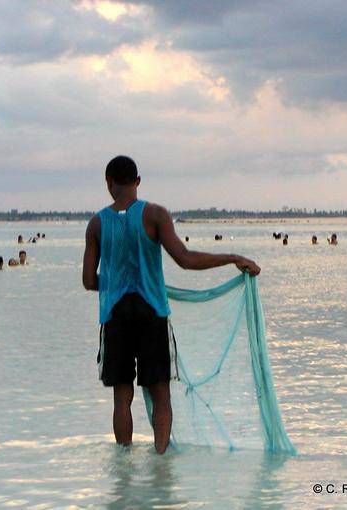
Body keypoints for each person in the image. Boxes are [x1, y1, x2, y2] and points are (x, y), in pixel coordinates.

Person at [82, 155, 260, 454]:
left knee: (121, 397)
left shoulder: (97, 223)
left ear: (108, 183)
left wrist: (117, 282)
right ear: (138, 181)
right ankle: (161, 465)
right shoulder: (154, 215)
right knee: (161, 394)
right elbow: (186, 259)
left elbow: (89, 280)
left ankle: (123, 469)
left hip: (115, 316)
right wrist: (232, 258)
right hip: (151, 313)